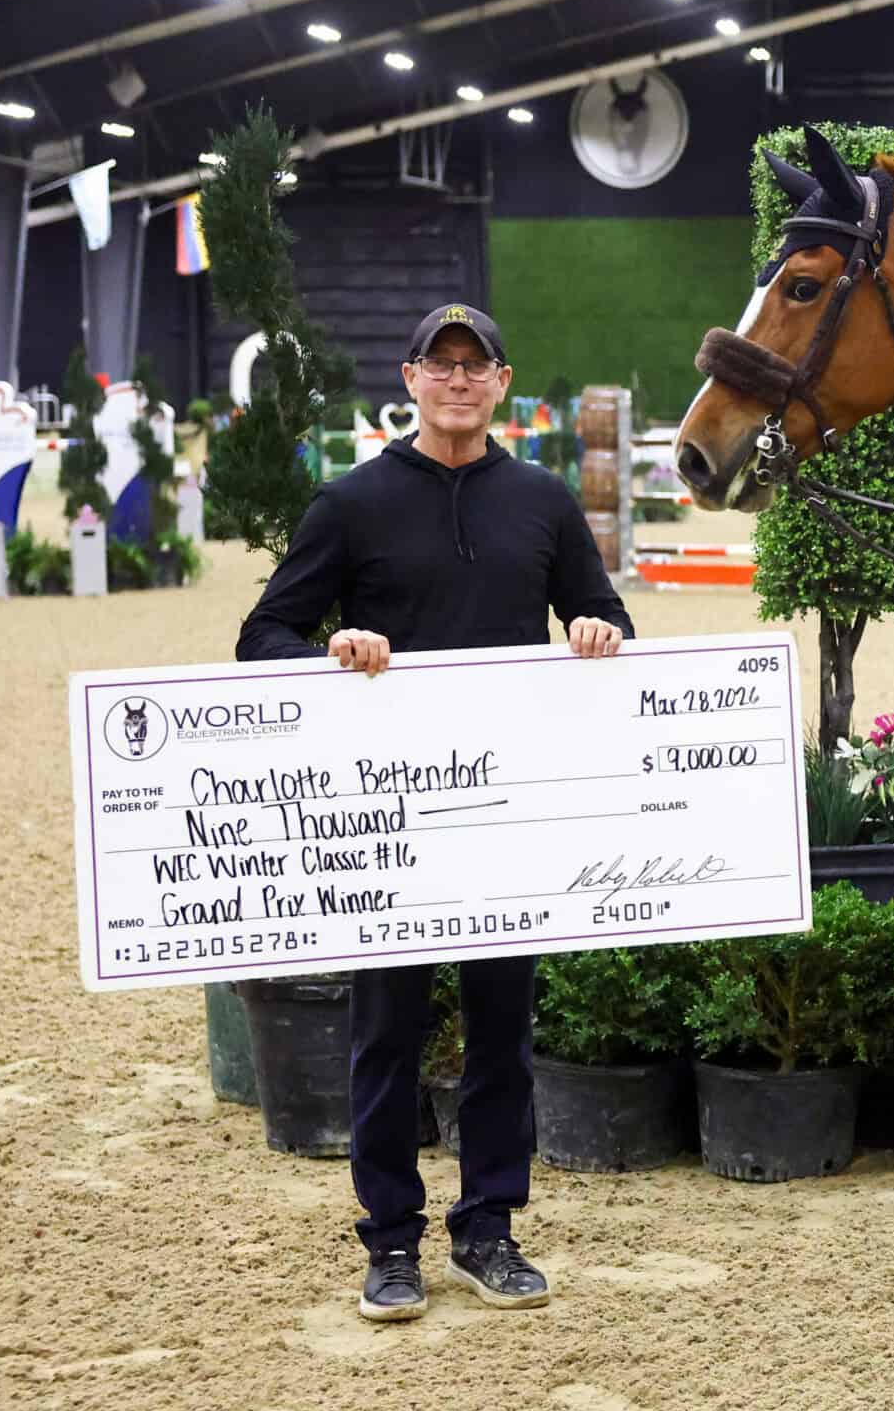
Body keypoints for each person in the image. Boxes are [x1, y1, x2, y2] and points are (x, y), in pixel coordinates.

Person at [236, 303, 634, 1323]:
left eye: (478, 366)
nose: (459, 381)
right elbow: (263, 633)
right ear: (409, 380)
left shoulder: (543, 503)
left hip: (507, 815)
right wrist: (329, 652)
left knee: (505, 1029)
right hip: (390, 823)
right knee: (386, 1031)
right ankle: (391, 1244)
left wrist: (595, 629)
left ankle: (490, 1228)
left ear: (502, 385)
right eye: (441, 365)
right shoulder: (350, 505)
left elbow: (608, 618)